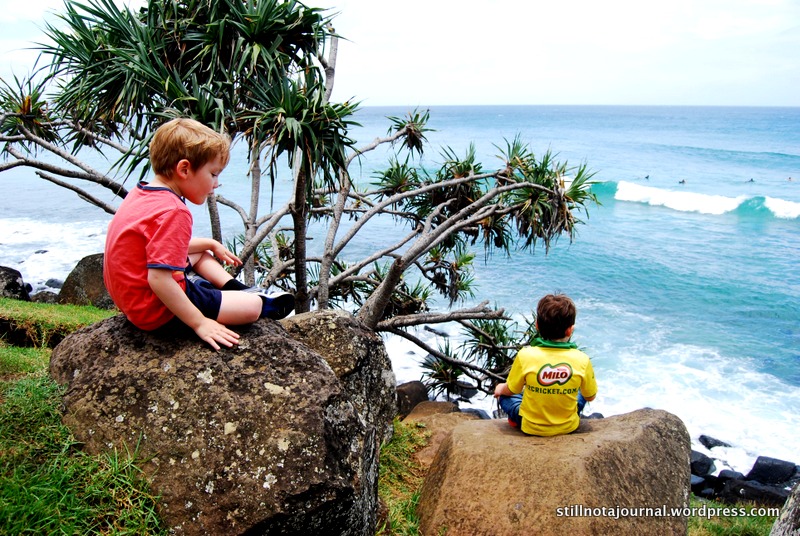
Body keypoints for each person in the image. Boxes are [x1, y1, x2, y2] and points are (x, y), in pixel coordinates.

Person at [103, 118, 294, 350]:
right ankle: (251, 297)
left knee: (202, 252)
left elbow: (157, 248)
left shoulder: (142, 193)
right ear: (184, 169)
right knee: (252, 308)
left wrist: (210, 243)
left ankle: (233, 288)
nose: (216, 184)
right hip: (156, 308)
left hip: (132, 299)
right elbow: (159, 279)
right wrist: (200, 323)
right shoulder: (174, 211)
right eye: (213, 174)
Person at [493, 293, 597, 436]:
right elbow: (590, 396)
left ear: (537, 325)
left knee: (505, 396)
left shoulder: (525, 355)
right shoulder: (582, 359)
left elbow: (511, 389)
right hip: (568, 426)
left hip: (530, 426)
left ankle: (515, 420)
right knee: (581, 392)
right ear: (570, 330)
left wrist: (499, 388)